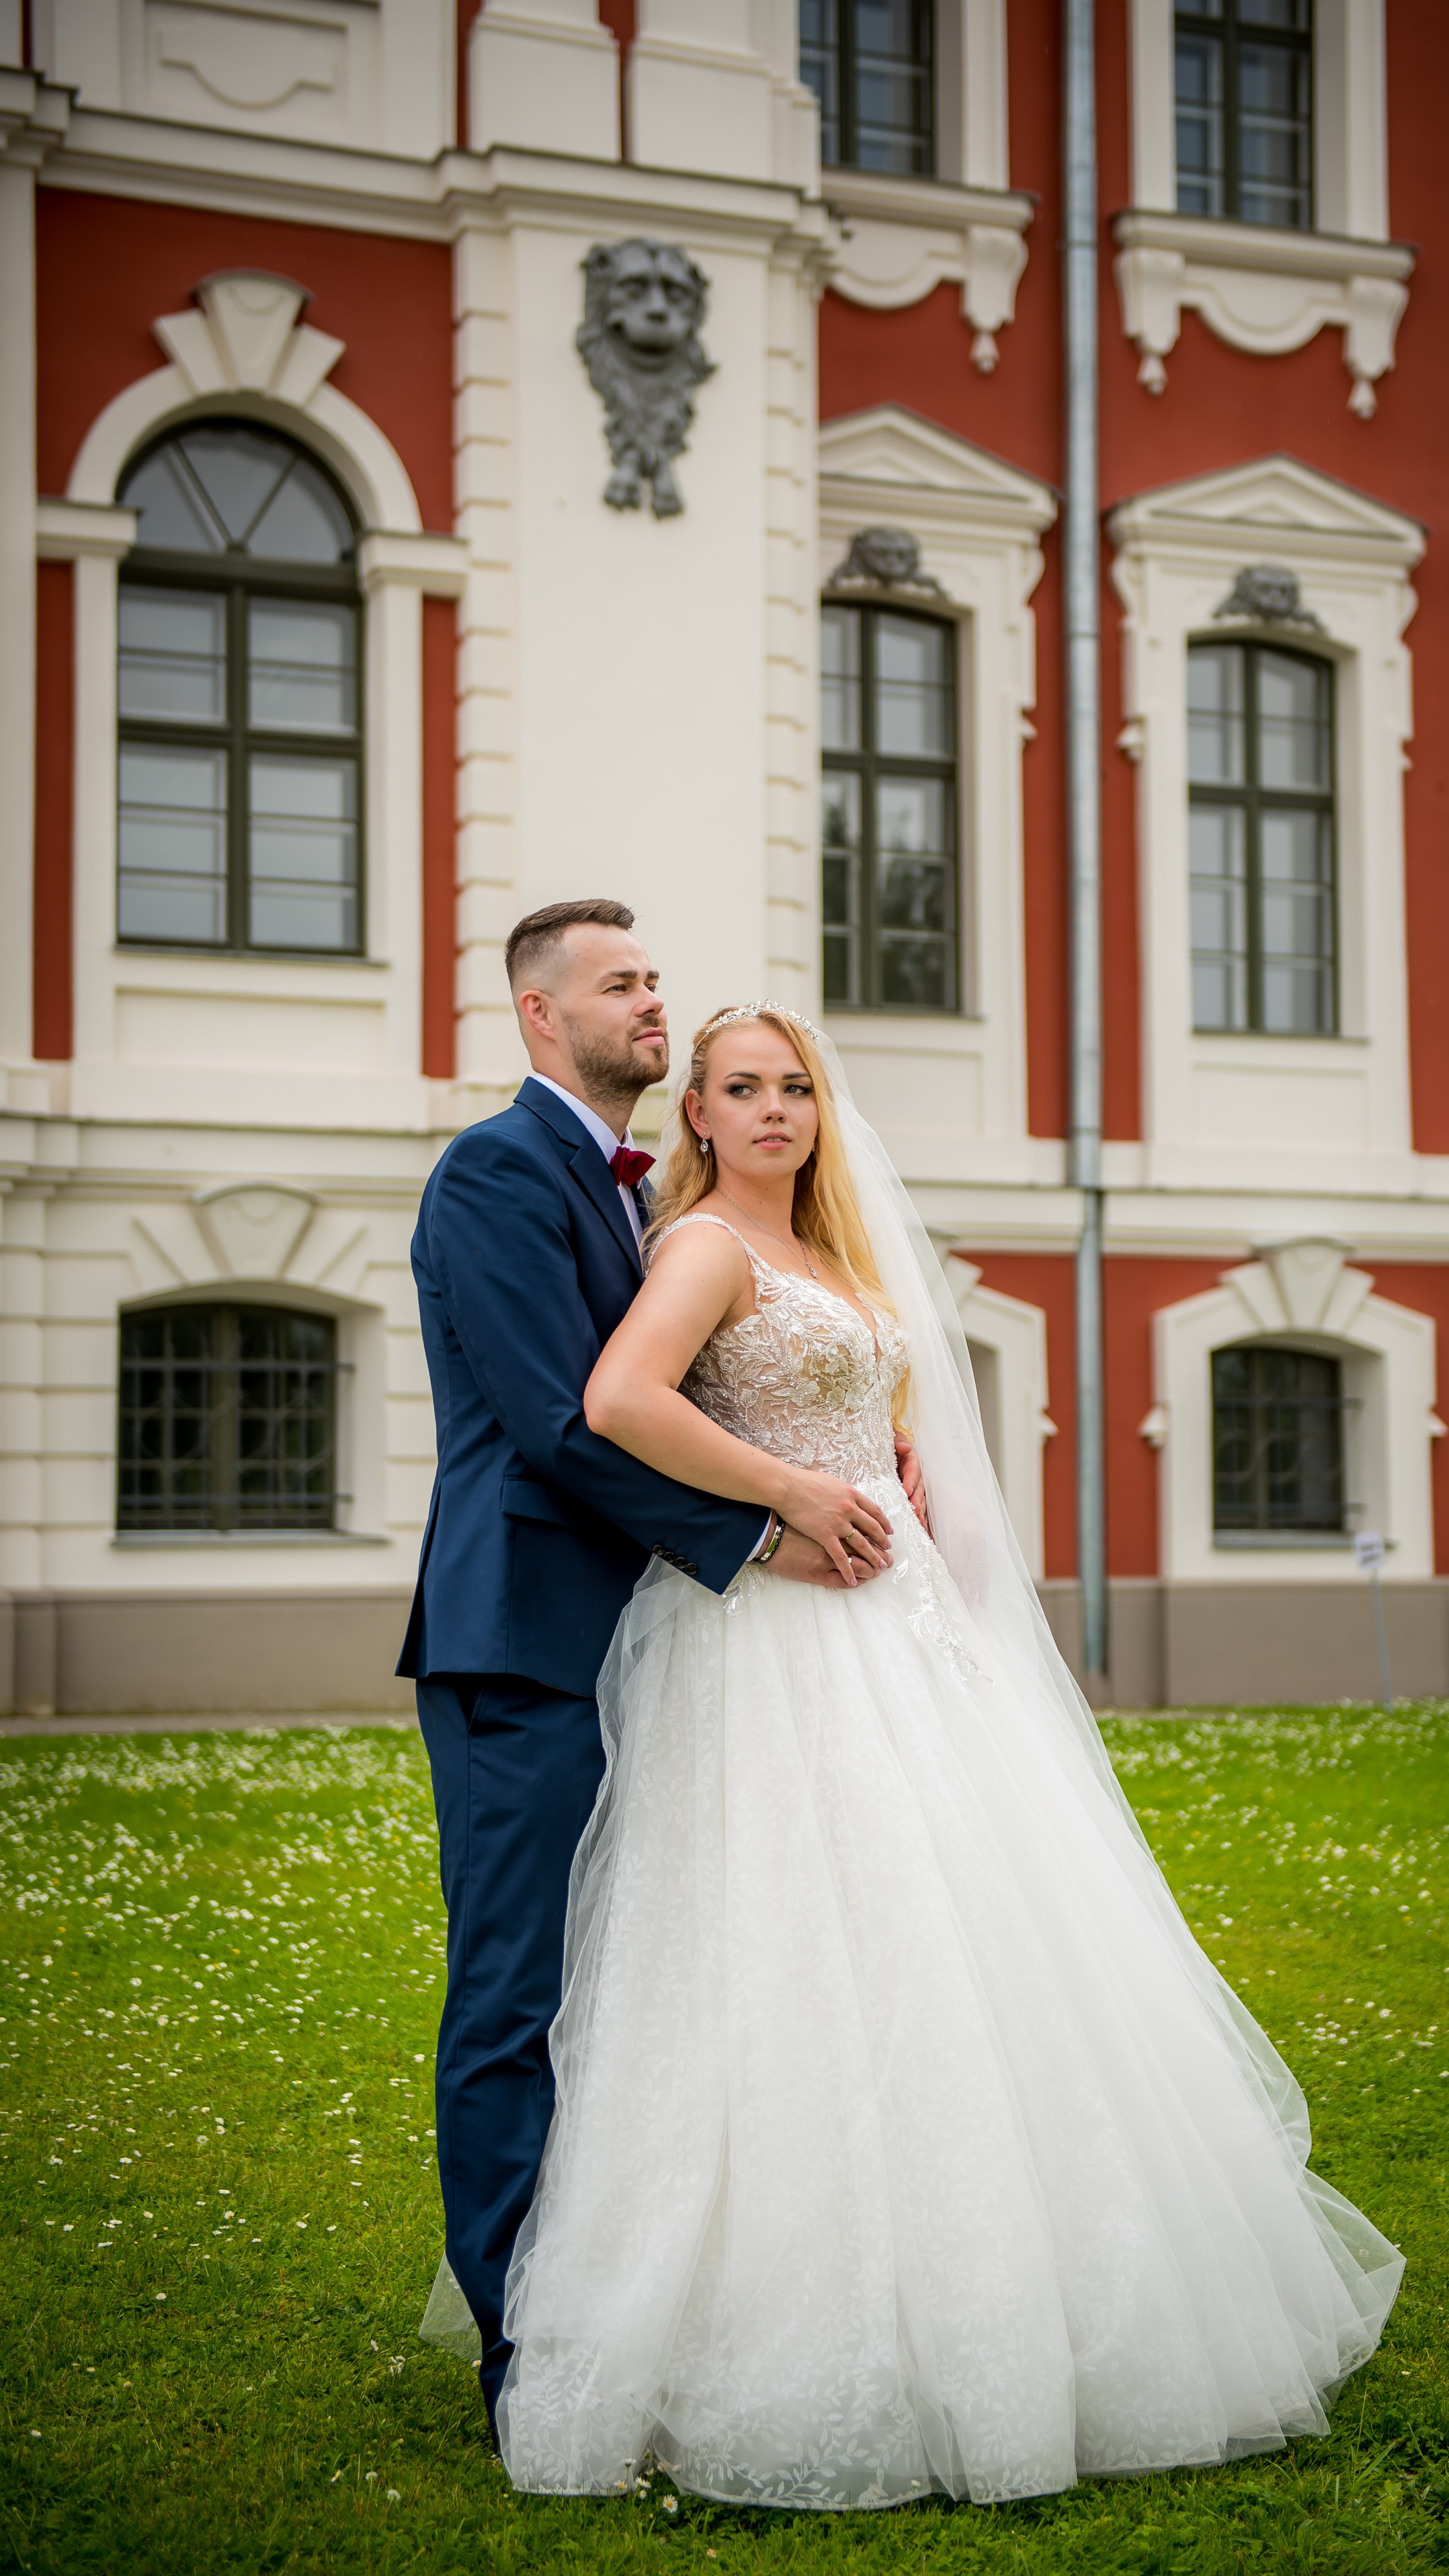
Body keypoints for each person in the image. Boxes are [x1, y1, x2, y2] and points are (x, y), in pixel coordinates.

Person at [493, 1000, 1405, 2508]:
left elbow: (856, 1395)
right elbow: (619, 1400)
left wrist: (881, 1453)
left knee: (965, 1933)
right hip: (773, 1646)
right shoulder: (705, 1247)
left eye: (795, 1086)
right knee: (803, 1949)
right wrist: (791, 1486)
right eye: (738, 1089)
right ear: (699, 1120)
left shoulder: (831, 1257)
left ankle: (1024, 2291)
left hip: (894, 1613)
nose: (774, 1110)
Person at [400, 902, 923, 2440]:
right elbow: (568, 1419)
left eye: (651, 981)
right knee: (516, 1992)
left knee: (652, 1985)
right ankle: (525, 2356)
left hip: (652, 1641)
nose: (649, 1001)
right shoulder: (498, 1172)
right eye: (620, 984)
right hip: (523, 1639)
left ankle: (647, 2291)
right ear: (535, 1015)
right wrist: (762, 1526)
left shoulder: (629, 1194)